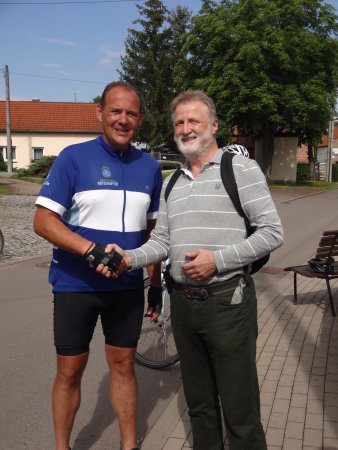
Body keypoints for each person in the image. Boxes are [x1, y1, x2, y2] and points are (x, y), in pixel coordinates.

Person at [100, 90, 284, 450]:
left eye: (193, 121)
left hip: (227, 305)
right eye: (179, 123)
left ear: (213, 126)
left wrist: (218, 260)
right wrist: (128, 257)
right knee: (200, 408)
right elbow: (162, 243)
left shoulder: (239, 169)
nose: (185, 129)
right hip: (184, 309)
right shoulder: (172, 183)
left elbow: (273, 232)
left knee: (240, 411)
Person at [33, 81, 163, 450]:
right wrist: (90, 250)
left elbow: (153, 233)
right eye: (116, 111)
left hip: (126, 288)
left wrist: (155, 284)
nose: (123, 119)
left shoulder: (150, 168)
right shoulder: (73, 158)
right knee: (69, 372)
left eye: (131, 113)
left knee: (123, 367)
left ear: (140, 119)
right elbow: (43, 221)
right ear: (100, 114)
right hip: (77, 285)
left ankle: (128, 445)